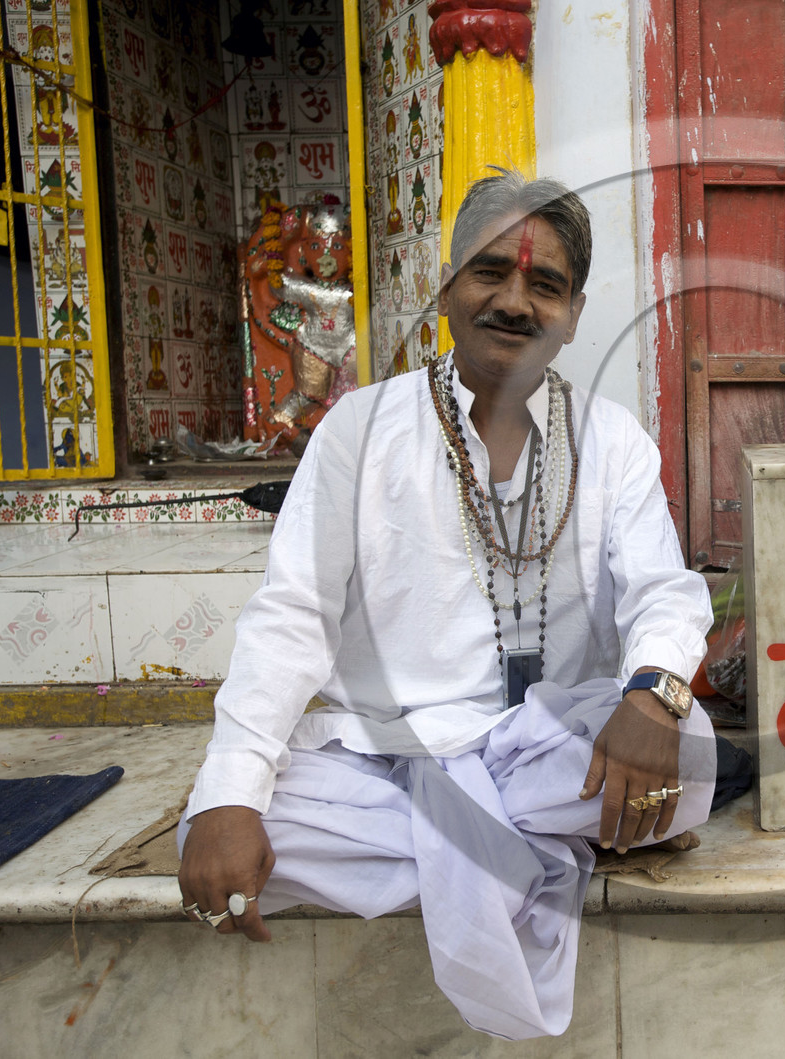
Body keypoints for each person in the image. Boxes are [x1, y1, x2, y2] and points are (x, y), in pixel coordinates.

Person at [176, 171, 716, 1040]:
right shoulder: (359, 432)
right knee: (226, 812)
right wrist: (230, 797)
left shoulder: (612, 439)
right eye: (489, 272)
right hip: (388, 756)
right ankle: (543, 843)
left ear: (574, 313)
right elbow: (292, 615)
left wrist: (654, 694)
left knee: (686, 749)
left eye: (545, 284)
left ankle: (493, 837)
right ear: (446, 285)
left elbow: (663, 591)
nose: (515, 301)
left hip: (545, 744)